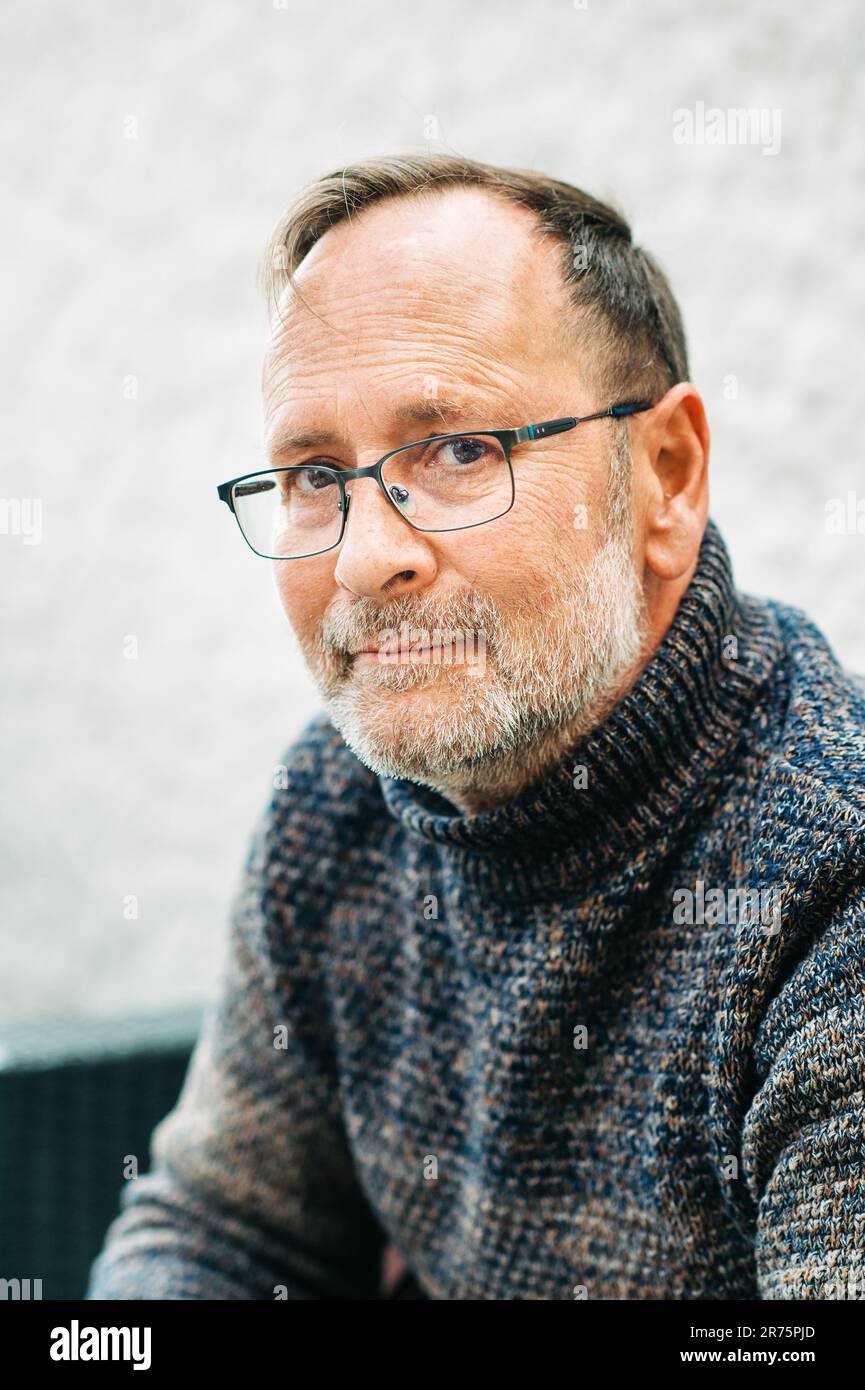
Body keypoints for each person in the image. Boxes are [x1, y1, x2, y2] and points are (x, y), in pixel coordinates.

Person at [87, 153, 865, 1301]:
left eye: (458, 451)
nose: (362, 558)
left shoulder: (827, 896)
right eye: (312, 473)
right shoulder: (339, 805)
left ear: (666, 473)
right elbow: (223, 1230)